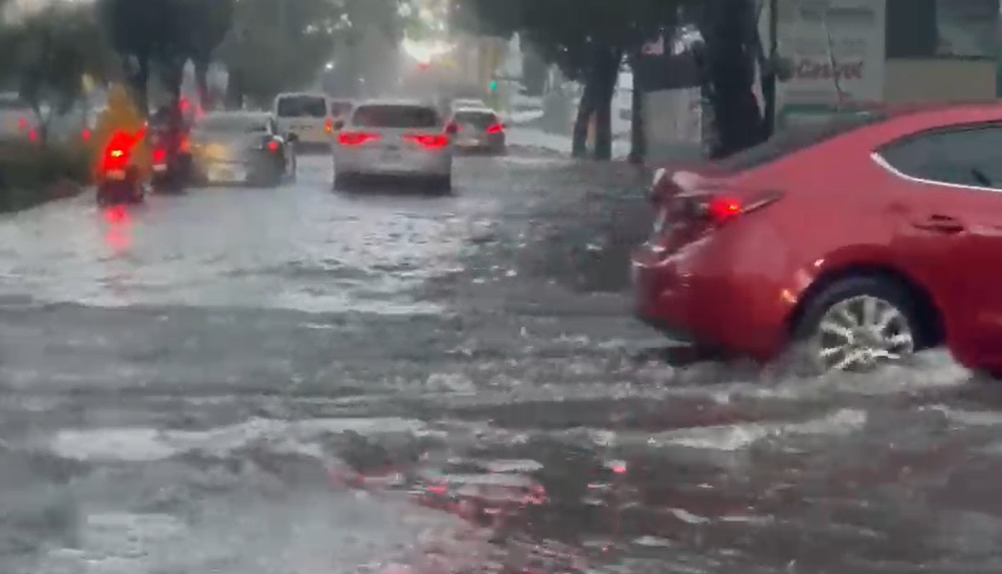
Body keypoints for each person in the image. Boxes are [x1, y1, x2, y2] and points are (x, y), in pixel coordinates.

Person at [92, 84, 150, 181]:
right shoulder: (125, 114)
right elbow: (98, 135)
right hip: (116, 154)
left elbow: (137, 133)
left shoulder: (108, 116)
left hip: (121, 154)